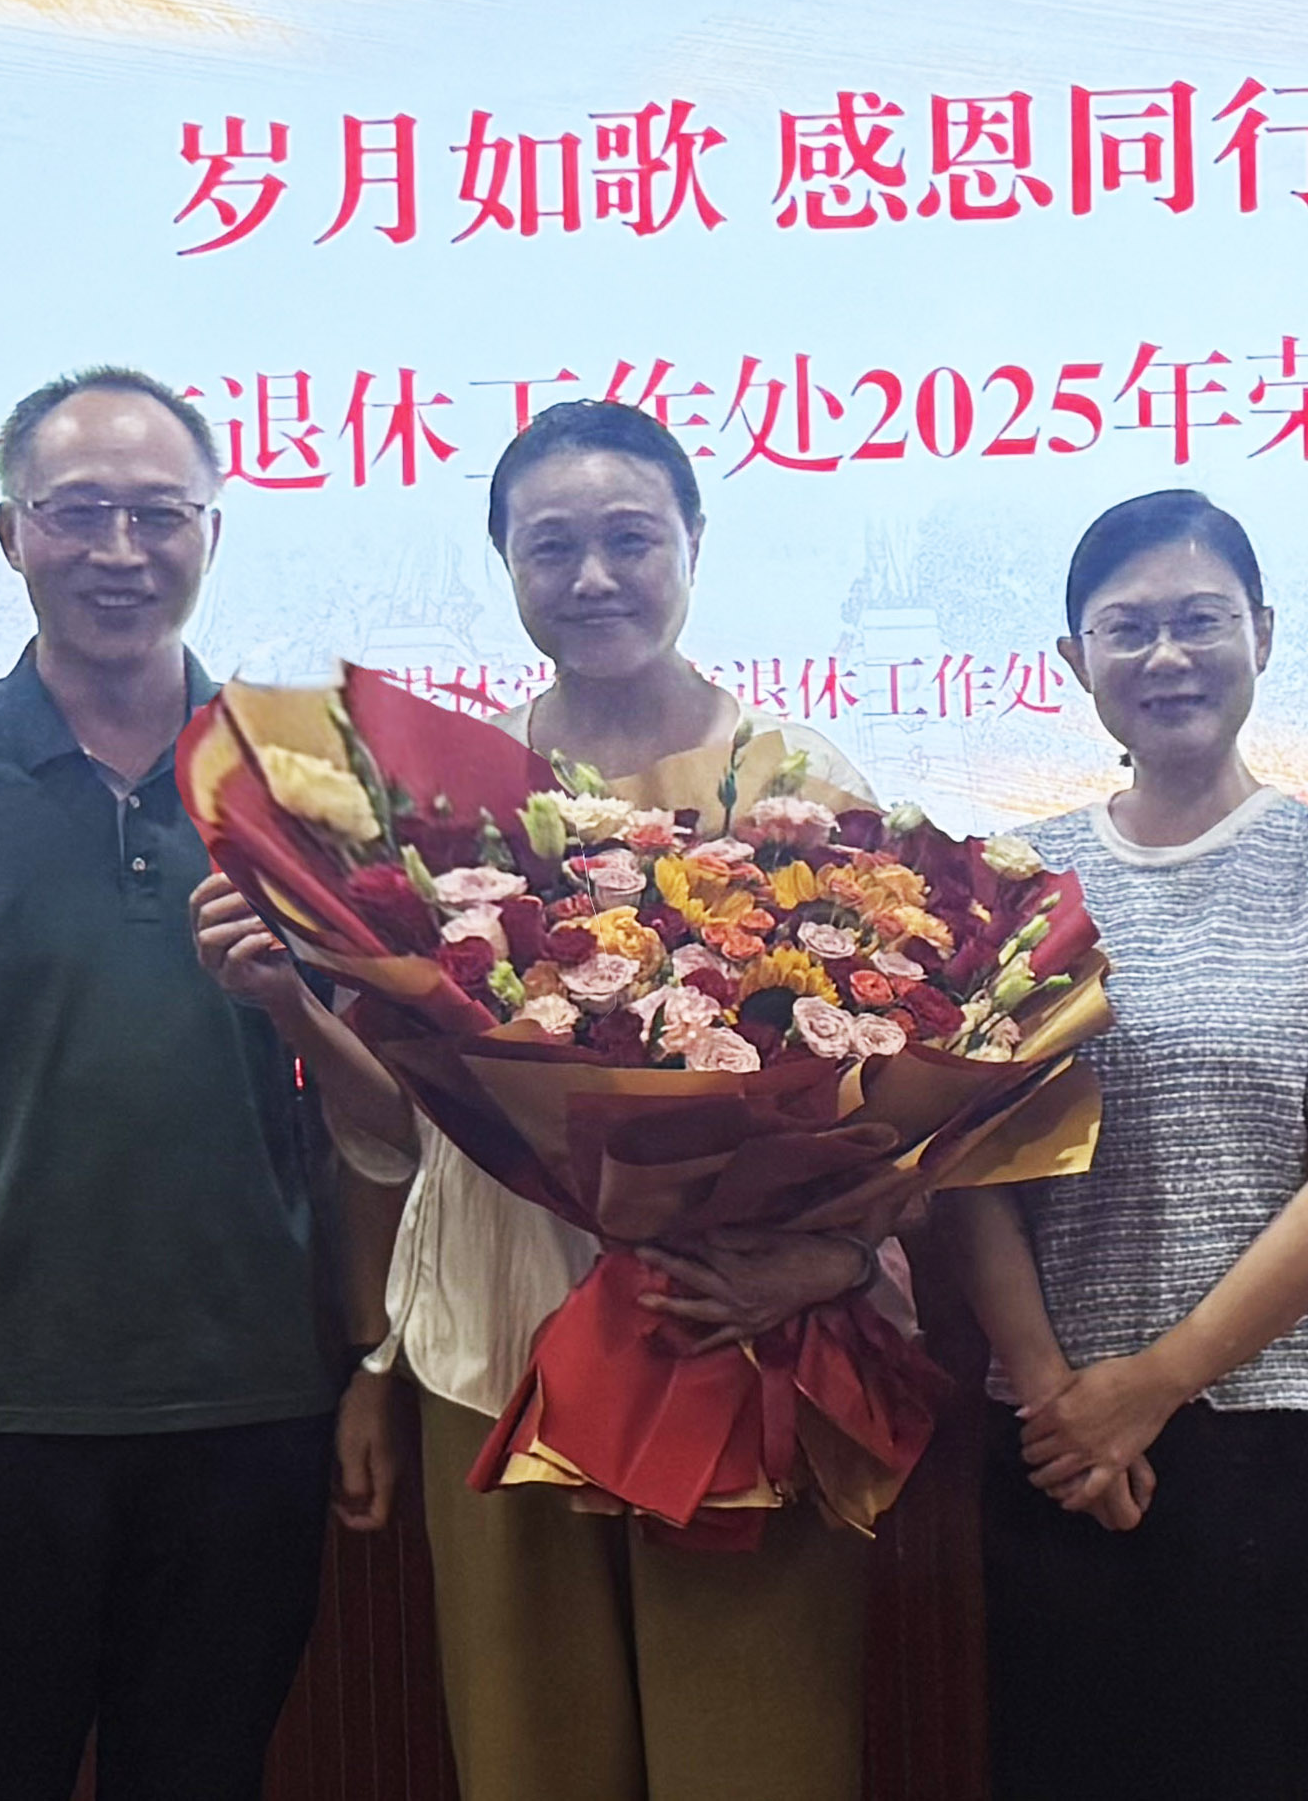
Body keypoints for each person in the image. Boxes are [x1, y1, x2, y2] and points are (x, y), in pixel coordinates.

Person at [189, 399, 882, 1801]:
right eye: (551, 545)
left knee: (757, 1760)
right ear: (504, 561)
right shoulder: (438, 812)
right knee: (529, 1763)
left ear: (694, 542)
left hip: (730, 1327)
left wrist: (835, 1258)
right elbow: (402, 1123)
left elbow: (881, 1097)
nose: (594, 576)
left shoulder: (801, 788)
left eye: (632, 538)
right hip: (497, 1332)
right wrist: (289, 1005)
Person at [0, 367, 399, 1801]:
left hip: (248, 1403)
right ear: (12, 533)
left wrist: (371, 1363)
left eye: (157, 514)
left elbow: (377, 1118)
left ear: (211, 534)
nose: (120, 550)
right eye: (77, 513)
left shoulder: (303, 786)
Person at [937, 487, 1308, 1801]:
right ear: (1076, 660)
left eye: (1201, 620)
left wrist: (1155, 1383)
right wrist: (1057, 1399)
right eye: (1129, 628)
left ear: (1261, 634)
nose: (1167, 656)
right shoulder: (1017, 882)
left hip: (1285, 1427)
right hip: (1060, 1438)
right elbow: (970, 1168)